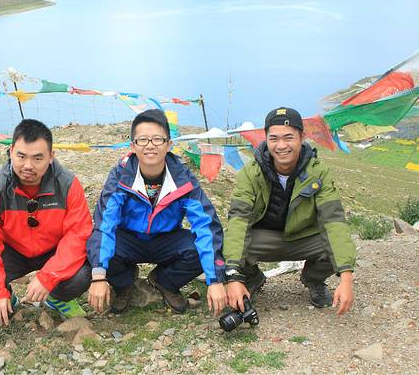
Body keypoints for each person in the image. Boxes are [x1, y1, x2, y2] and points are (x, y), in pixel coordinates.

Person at [87, 109, 227, 316]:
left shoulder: (182, 179)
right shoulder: (120, 177)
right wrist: (99, 276)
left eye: (157, 139)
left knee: (198, 249)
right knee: (97, 248)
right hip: (128, 240)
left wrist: (215, 280)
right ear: (133, 146)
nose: (150, 145)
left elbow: (205, 224)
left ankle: (164, 281)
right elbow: (104, 225)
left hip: (167, 239)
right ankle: (124, 283)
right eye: (142, 140)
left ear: (169, 145)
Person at [225, 107, 356, 315]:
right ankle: (251, 278)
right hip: (264, 239)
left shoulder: (318, 171)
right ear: (266, 139)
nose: (281, 145)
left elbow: (333, 220)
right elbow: (238, 220)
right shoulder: (251, 172)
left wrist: (346, 278)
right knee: (228, 244)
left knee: (336, 248)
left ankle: (313, 279)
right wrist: (233, 276)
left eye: (288, 137)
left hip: (303, 237)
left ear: (302, 137)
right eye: (274, 138)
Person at [0, 119, 92, 331]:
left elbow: (78, 235)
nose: (28, 166)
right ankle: (5, 300)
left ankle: (58, 298)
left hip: (53, 250)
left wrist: (48, 277)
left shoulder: (68, 185)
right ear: (11, 152)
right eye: (21, 156)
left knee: (82, 274)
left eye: (37, 158)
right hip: (13, 251)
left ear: (51, 156)